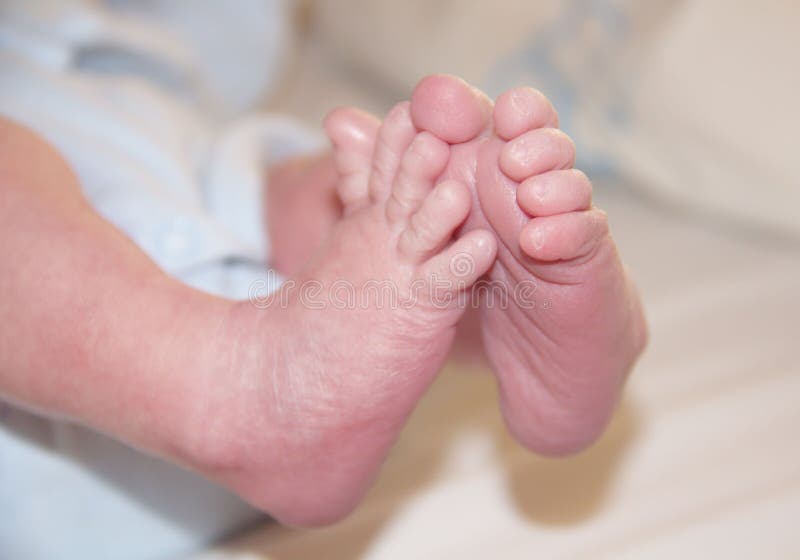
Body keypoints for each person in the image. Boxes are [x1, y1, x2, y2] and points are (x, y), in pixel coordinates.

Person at [0, 1, 647, 558]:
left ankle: (473, 290)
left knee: (324, 202)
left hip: (251, 278)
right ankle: (227, 386)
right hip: (93, 390)